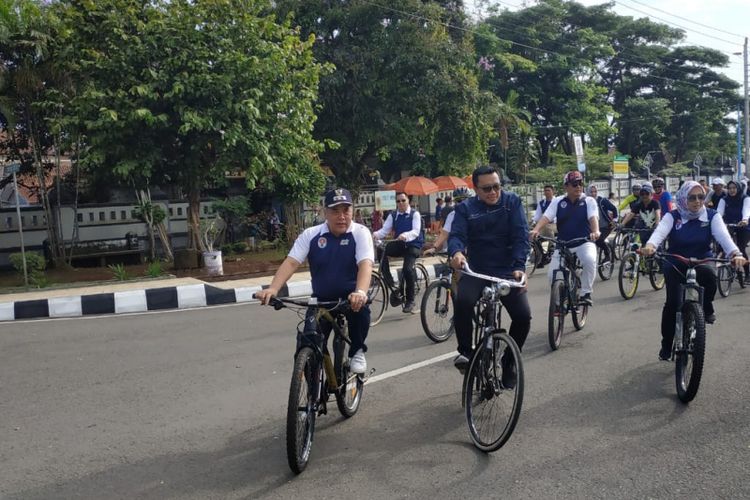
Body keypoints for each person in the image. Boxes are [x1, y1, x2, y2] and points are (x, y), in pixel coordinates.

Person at [255, 188, 374, 373]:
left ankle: (357, 351)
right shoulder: (311, 235)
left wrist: (360, 292)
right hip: (320, 300)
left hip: (350, 300)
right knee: (308, 339)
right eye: (335, 211)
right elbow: (292, 262)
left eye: (346, 210)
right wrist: (273, 289)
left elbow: (365, 264)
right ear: (325, 212)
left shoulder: (360, 232)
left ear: (352, 211)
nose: (341, 216)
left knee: (361, 313)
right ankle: (310, 387)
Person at [642, 181, 746, 360]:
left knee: (710, 276)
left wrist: (735, 253)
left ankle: (707, 306)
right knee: (672, 303)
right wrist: (650, 245)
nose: (697, 201)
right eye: (692, 197)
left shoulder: (712, 216)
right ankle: (666, 345)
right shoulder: (673, 216)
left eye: (701, 197)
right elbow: (659, 232)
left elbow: (723, 237)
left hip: (702, 259)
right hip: (676, 260)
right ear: (683, 198)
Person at [448, 166, 530, 379]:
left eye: (496, 187)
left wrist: (520, 267)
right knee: (463, 300)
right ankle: (465, 352)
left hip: (507, 271)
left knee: (523, 317)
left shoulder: (512, 203)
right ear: (476, 189)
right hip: (477, 270)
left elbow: (521, 236)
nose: (493, 192)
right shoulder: (465, 209)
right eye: (487, 189)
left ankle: (509, 361)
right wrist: (457, 252)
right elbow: (456, 235)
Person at [530, 170, 600, 306]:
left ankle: (586, 292)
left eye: (580, 183)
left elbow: (593, 217)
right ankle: (558, 304)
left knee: (590, 260)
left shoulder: (589, 201)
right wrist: (536, 229)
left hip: (584, 242)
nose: (578, 187)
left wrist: (595, 231)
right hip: (562, 245)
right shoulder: (558, 201)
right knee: (552, 276)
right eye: (574, 184)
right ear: (566, 187)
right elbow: (546, 216)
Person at [372, 192, 424, 314]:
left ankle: (410, 300)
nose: (400, 203)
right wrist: (375, 235)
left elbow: (416, 232)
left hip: (413, 245)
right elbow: (384, 231)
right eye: (398, 201)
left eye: (403, 200)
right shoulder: (393, 215)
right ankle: (390, 280)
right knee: (382, 249)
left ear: (408, 202)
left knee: (407, 270)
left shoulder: (414, 214)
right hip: (400, 244)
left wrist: (405, 235)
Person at [716, 180, 750, 282]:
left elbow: (746, 210)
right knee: (723, 244)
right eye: (730, 188)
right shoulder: (724, 199)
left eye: (734, 188)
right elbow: (719, 213)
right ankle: (722, 262)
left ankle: (747, 273)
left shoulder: (745, 198)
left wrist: (744, 220)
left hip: (743, 226)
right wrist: (717, 221)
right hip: (729, 225)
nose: (731, 190)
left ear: (738, 188)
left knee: (741, 249)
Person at [424, 187, 474, 254]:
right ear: (454, 201)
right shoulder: (452, 215)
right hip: (459, 248)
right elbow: (445, 233)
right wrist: (434, 248)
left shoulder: (477, 213)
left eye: (465, 200)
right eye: (459, 201)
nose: (462, 203)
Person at [586, 184, 618, 264]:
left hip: (605, 226)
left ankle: (607, 254)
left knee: (599, 240)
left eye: (595, 192)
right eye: (591, 192)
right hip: (592, 228)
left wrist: (614, 220)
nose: (593, 194)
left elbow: (614, 209)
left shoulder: (601, 201)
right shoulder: (585, 201)